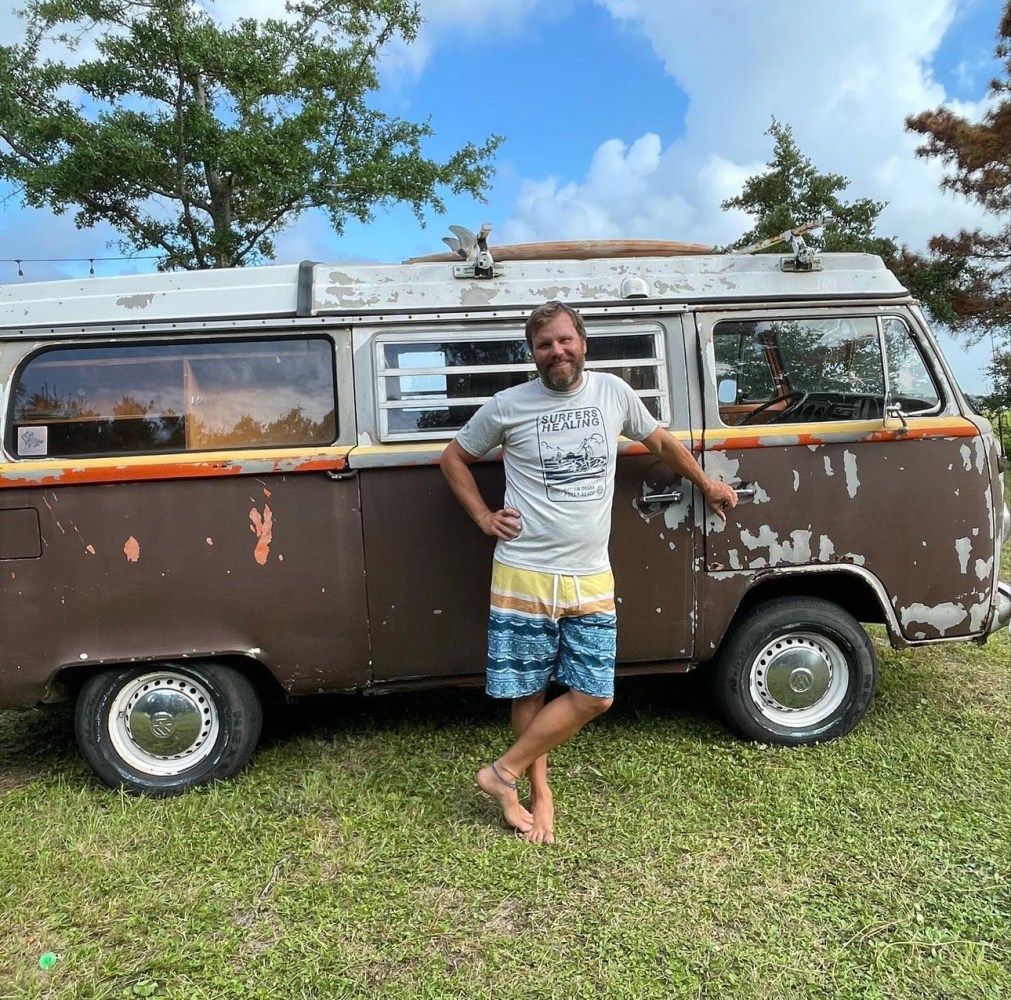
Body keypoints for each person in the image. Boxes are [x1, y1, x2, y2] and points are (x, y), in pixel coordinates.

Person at [440, 300, 737, 844]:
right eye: (544, 345)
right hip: (523, 570)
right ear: (532, 354)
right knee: (527, 689)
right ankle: (537, 794)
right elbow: (453, 457)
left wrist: (706, 483)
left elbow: (662, 442)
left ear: (583, 343)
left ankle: (499, 773)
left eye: (563, 340)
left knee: (596, 694)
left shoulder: (614, 394)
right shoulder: (507, 405)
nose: (556, 352)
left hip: (590, 573)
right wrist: (483, 516)